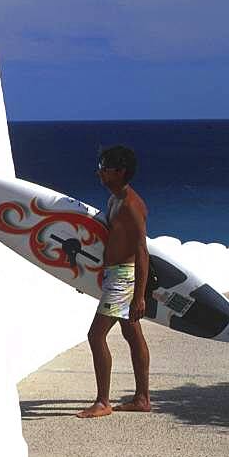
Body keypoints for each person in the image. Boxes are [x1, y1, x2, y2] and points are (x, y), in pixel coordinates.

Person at [77, 145, 152, 419]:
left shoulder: (132, 206)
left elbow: (142, 252)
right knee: (132, 334)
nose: (99, 171)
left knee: (95, 336)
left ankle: (102, 402)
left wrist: (139, 296)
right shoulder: (113, 201)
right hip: (114, 274)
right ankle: (142, 398)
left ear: (120, 172)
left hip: (123, 277)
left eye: (105, 166)